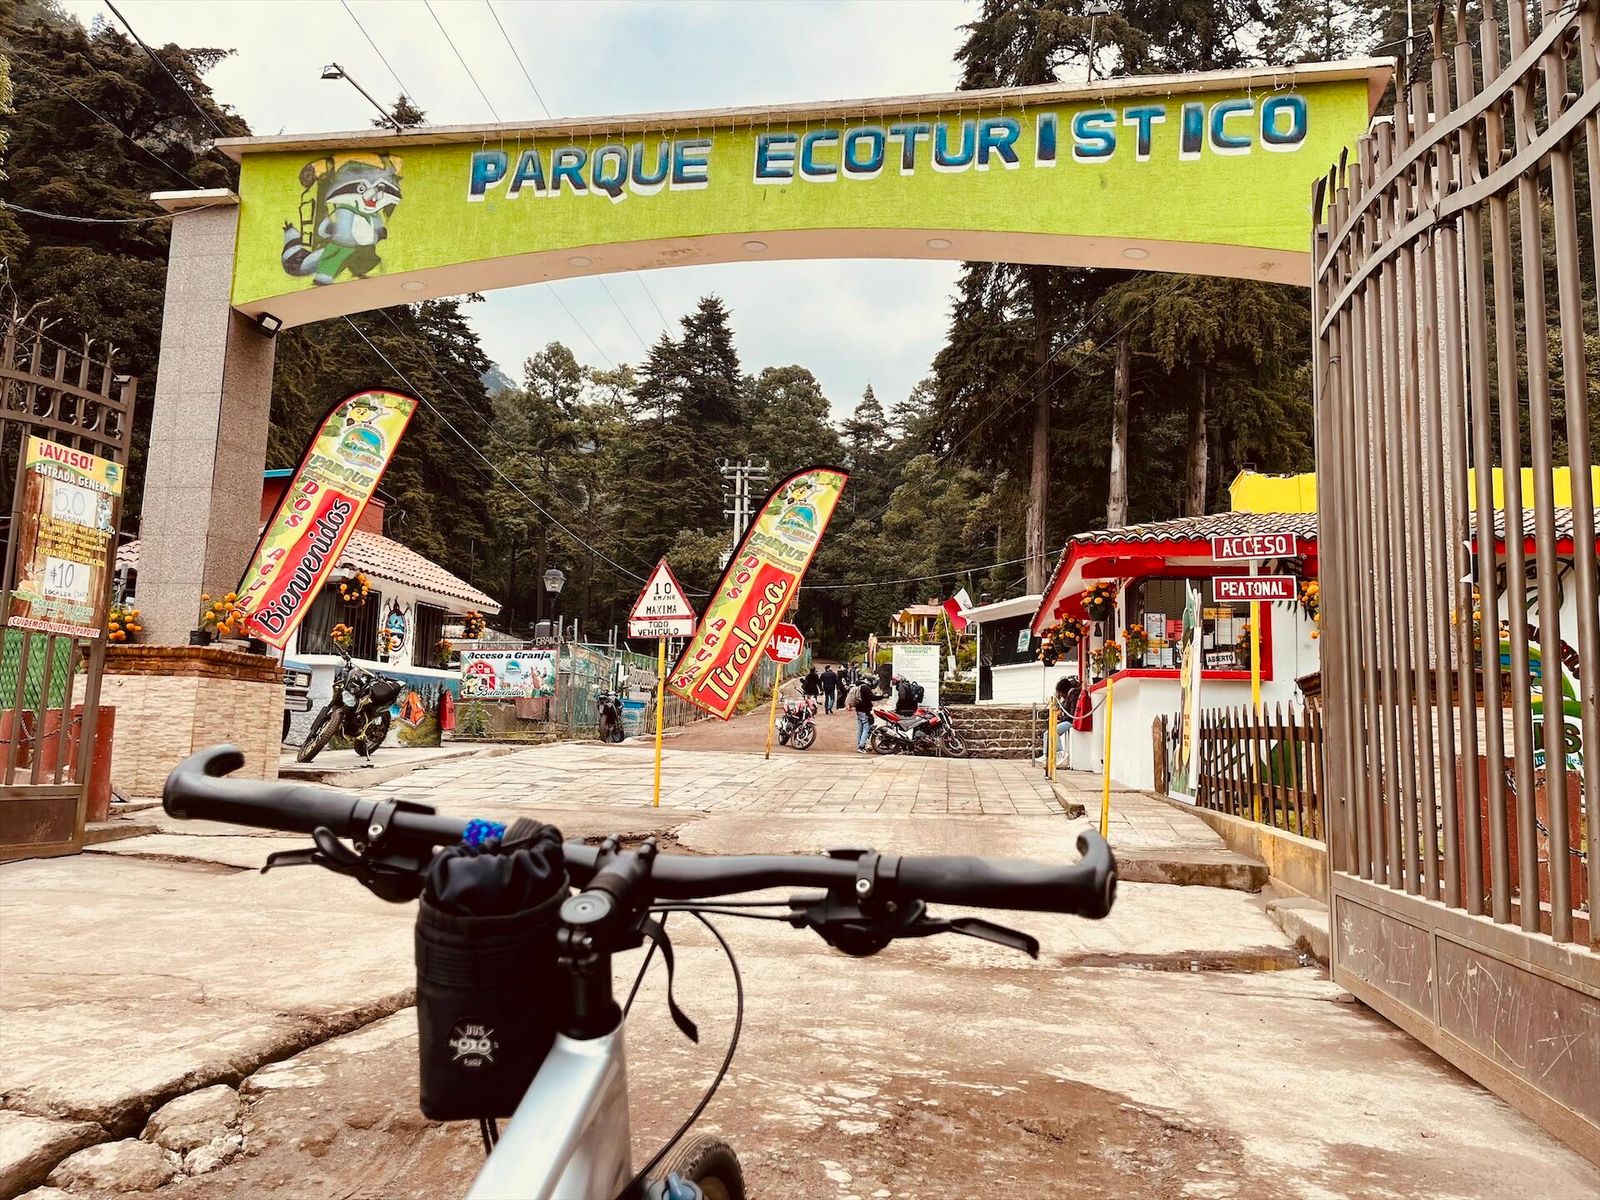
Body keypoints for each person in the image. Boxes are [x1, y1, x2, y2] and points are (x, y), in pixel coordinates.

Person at [1038, 674, 1082, 764]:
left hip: (1071, 721)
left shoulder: (1073, 695)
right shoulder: (1069, 696)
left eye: (1061, 692)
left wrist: (1062, 718)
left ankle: (1060, 753)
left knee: (1054, 731)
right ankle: (1046, 755)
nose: (1060, 695)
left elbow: (1072, 714)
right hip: (1068, 720)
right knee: (1047, 733)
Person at [851, 673, 877, 752]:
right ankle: (861, 746)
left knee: (860, 728)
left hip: (859, 710)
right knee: (866, 728)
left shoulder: (859, 686)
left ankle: (859, 744)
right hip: (864, 710)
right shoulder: (866, 688)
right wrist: (882, 696)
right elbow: (872, 697)